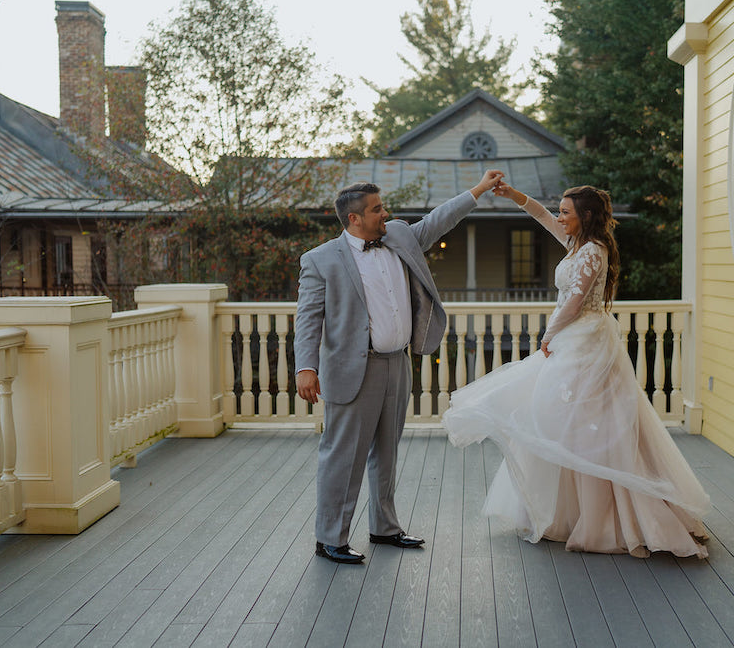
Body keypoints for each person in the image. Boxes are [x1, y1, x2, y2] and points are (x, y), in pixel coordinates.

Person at [442, 182, 711, 557]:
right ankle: (568, 513)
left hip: (584, 344)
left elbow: (574, 302)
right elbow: (539, 214)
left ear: (585, 216)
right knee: (563, 424)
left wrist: (548, 335)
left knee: (588, 430)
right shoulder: (575, 244)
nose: (559, 216)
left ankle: (605, 523)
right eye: (561, 211)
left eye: (566, 212)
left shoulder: (592, 251)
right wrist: (511, 194)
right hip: (574, 339)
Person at [295, 169, 504, 564]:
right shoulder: (320, 260)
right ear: (354, 219)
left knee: (387, 452)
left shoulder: (400, 236)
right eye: (377, 209)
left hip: (398, 364)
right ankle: (330, 538)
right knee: (343, 456)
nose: (385, 214)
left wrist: (477, 190)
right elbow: (307, 319)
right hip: (352, 370)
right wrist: (305, 367)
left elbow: (439, 220)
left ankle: (385, 528)